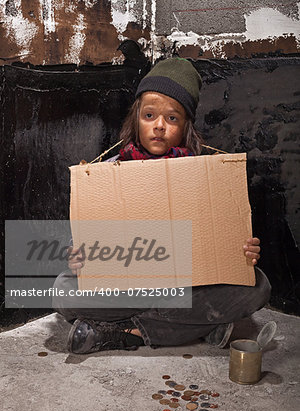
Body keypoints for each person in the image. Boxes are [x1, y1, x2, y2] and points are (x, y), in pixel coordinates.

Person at [52, 58, 271, 354]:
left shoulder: (204, 175)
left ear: (185, 126)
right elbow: (81, 242)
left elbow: (223, 242)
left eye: (172, 119)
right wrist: (77, 256)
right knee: (63, 291)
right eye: (150, 115)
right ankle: (200, 326)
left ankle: (123, 332)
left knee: (258, 286)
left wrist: (243, 252)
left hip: (186, 288)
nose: (158, 126)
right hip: (131, 288)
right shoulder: (108, 170)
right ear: (136, 119)